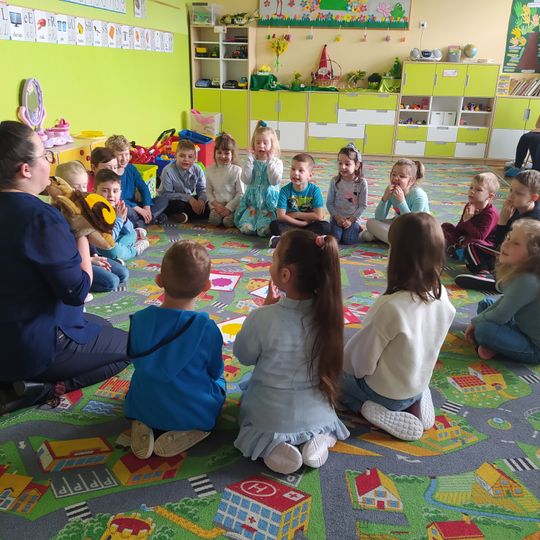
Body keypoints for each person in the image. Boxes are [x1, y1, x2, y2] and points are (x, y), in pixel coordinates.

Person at [0, 120, 128, 415]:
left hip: (8, 333)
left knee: (104, 326)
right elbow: (78, 291)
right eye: (45, 155)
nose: (50, 162)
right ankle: (41, 389)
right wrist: (81, 230)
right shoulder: (41, 217)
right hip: (34, 346)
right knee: (133, 347)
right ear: (25, 170)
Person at [234, 230, 350, 475]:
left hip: (267, 415)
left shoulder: (262, 318)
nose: (271, 263)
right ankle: (318, 438)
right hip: (317, 413)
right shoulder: (331, 315)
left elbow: (244, 356)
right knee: (321, 418)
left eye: (274, 258)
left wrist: (264, 309)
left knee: (250, 394)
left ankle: (273, 446)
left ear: (285, 275)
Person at [341, 213, 456, 441]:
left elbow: (360, 362)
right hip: (417, 382)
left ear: (398, 256)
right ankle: (417, 400)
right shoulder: (443, 296)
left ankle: (366, 407)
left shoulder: (391, 306)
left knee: (330, 378)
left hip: (383, 394)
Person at [126, 240, 226, 458]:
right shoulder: (207, 328)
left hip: (142, 403)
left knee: (143, 383)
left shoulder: (139, 319)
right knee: (220, 382)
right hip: (191, 410)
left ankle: (145, 420)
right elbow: (214, 371)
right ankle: (188, 427)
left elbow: (135, 361)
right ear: (207, 287)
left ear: (159, 280)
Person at [465, 219, 540, 365]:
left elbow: (500, 315)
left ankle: (497, 346)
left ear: (534, 255)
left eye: (516, 243)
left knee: (483, 329)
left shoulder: (527, 281)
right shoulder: (520, 272)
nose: (506, 244)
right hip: (521, 325)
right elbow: (504, 301)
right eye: (508, 238)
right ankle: (497, 346)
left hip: (535, 348)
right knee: (486, 303)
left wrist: (474, 322)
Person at [456, 170, 540, 291]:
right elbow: (501, 243)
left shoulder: (533, 221)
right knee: (472, 254)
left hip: (524, 264)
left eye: (518, 193)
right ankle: (494, 276)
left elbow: (502, 245)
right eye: (511, 190)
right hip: (509, 256)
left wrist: (502, 222)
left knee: (472, 246)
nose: (510, 196)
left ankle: (489, 276)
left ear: (533, 198)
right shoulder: (516, 209)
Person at [57, 162, 129, 294]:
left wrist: (95, 255)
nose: (82, 191)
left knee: (123, 273)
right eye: (75, 187)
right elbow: (62, 251)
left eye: (84, 186)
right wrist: (90, 260)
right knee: (112, 282)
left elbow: (90, 232)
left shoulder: (85, 205)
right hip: (75, 262)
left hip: (90, 255)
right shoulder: (59, 212)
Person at [268, 152, 330, 248]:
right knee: (275, 225)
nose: (295, 173)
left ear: (310, 175)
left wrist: (297, 214)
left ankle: (287, 240)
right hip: (291, 223)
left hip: (309, 224)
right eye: (293, 169)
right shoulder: (285, 190)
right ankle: (308, 240)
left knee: (325, 226)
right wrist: (302, 223)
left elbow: (319, 216)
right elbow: (281, 216)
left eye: (301, 170)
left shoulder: (315, 190)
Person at [361, 158, 429, 244]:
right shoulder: (391, 190)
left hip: (417, 229)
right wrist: (384, 198)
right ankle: (398, 241)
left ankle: (395, 241)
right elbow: (379, 217)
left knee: (369, 235)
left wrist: (401, 202)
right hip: (400, 224)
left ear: (412, 180)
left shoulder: (419, 196)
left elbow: (412, 224)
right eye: (393, 174)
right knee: (370, 223)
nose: (396, 178)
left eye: (402, 176)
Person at [234, 121, 283, 237]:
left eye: (265, 143)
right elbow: (246, 180)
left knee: (265, 228)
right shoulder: (251, 161)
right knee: (246, 226)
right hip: (253, 201)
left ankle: (264, 226)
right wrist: (249, 161)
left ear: (272, 145)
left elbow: (274, 181)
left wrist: (270, 162)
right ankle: (249, 223)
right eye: (258, 143)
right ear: (253, 144)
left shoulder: (277, 162)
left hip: (268, 202)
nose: (261, 146)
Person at [94, 169, 149, 261]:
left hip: (117, 238)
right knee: (113, 250)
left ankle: (135, 237)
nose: (111, 195)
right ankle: (134, 250)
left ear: (120, 193)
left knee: (132, 233)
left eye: (115, 191)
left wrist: (124, 220)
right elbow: (108, 241)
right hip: (103, 245)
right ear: (94, 191)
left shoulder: (116, 207)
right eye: (105, 191)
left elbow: (129, 230)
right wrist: (119, 219)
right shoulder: (95, 210)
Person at [441, 172, 500, 259]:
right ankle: (456, 248)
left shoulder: (490, 213)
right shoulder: (469, 205)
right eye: (471, 187)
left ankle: (458, 251)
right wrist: (463, 222)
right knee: (445, 226)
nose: (472, 191)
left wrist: (467, 221)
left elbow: (480, 237)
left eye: (478, 190)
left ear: (490, 196)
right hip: (465, 238)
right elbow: (459, 230)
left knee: (474, 244)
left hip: (482, 243)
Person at [105, 134, 156, 227]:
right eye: (120, 155)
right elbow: (118, 199)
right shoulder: (109, 173)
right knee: (127, 211)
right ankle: (149, 218)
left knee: (163, 200)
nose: (124, 159)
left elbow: (143, 187)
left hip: (135, 205)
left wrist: (146, 206)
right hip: (123, 207)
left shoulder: (131, 168)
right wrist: (138, 209)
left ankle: (143, 220)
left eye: (126, 154)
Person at [156, 139, 209, 224]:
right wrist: (189, 199)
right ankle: (184, 214)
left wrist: (201, 201)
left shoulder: (197, 169)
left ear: (195, 158)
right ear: (176, 156)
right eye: (182, 156)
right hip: (173, 199)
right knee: (176, 205)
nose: (186, 159)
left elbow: (202, 189)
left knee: (210, 203)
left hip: (189, 198)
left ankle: (184, 215)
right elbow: (166, 195)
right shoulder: (168, 170)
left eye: (190, 157)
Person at [326, 144, 368, 245]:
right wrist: (337, 218)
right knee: (335, 238)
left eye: (347, 164)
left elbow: (362, 206)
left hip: (353, 219)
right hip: (337, 218)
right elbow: (329, 203)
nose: (342, 167)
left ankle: (357, 228)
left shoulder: (362, 183)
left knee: (349, 240)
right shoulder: (335, 181)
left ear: (357, 165)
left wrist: (351, 220)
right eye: (340, 163)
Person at [205, 132, 243, 228]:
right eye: (219, 153)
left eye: (226, 153)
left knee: (227, 222)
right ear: (215, 153)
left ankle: (234, 215)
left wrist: (229, 208)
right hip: (216, 205)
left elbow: (240, 193)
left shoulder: (237, 170)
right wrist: (216, 205)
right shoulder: (209, 170)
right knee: (214, 221)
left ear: (232, 154)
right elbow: (208, 191)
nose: (222, 156)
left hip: (232, 205)